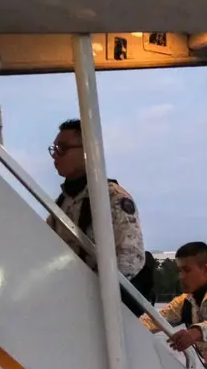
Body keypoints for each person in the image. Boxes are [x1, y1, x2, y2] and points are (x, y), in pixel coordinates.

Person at [48, 119, 145, 279]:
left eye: (63, 148)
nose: (55, 156)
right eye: (54, 149)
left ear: (88, 151)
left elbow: (131, 259)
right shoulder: (62, 203)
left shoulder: (112, 198)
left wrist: (94, 290)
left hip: (99, 298)